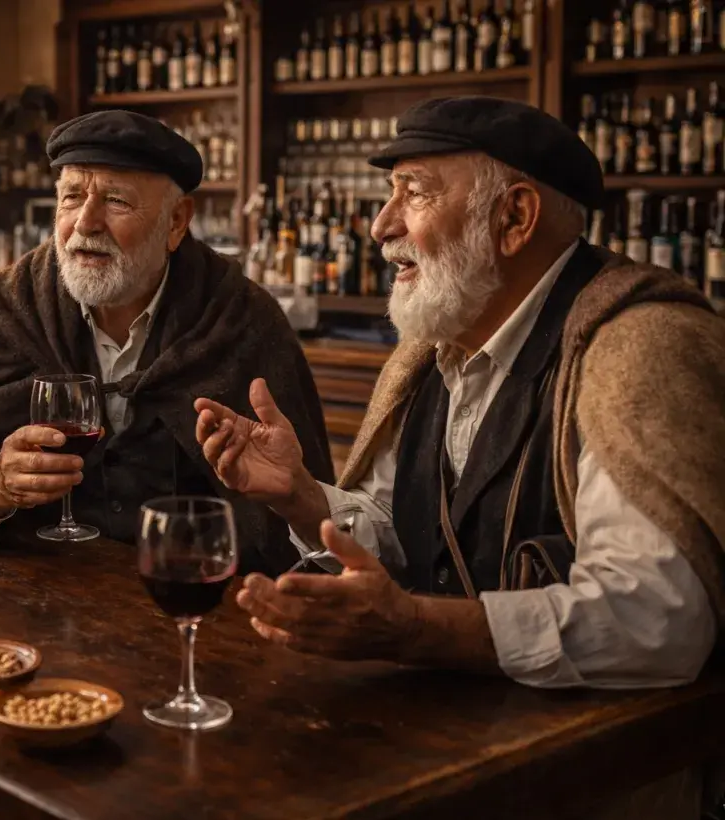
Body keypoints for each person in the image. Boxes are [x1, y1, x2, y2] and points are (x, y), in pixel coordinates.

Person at [195, 97, 725, 689]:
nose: (381, 225)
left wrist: (417, 628)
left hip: (589, 765)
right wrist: (300, 496)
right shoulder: (432, 347)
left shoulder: (640, 348)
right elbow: (403, 531)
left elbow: (656, 620)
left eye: (415, 193)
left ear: (514, 218)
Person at [0, 110, 334, 575]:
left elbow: (306, 516)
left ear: (176, 222)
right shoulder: (8, 304)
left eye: (116, 201)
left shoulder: (241, 318)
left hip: (196, 601)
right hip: (29, 594)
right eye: (71, 198)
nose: (85, 223)